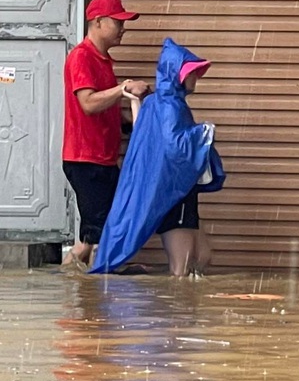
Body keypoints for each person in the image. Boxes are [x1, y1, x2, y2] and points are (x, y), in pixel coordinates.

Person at [91, 37, 225, 277]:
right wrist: (204, 132)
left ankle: (169, 304)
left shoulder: (159, 103)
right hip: (175, 196)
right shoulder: (170, 107)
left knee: (202, 257)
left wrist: (135, 103)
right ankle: (172, 308)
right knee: (182, 269)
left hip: (174, 193)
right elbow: (174, 148)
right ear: (178, 75)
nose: (196, 78)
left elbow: (144, 134)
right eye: (192, 73)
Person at [61, 0, 151, 269]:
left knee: (89, 238)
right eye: (118, 22)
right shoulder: (81, 57)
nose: (123, 29)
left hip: (103, 159)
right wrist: (124, 89)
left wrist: (136, 122)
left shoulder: (102, 61)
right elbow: (88, 103)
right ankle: (98, 294)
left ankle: (71, 284)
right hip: (85, 160)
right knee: (103, 234)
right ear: (98, 22)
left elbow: (106, 107)